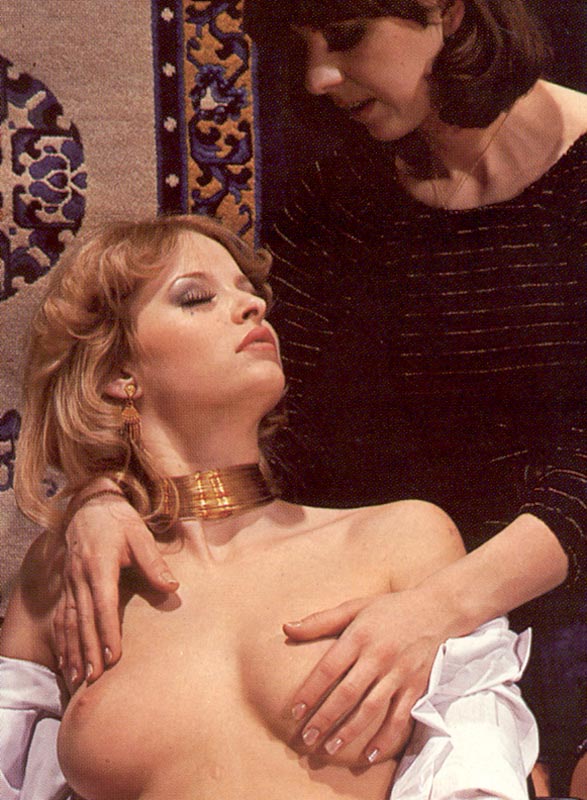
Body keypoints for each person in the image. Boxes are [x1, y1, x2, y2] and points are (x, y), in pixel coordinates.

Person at [50, 0, 587, 796]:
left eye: (346, 38)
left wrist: (438, 607)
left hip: (526, 609)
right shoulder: (333, 201)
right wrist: (105, 492)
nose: (318, 78)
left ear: (445, 10)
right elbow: (248, 414)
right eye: (301, 48)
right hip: (374, 611)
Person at [0, 214, 538, 800]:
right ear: (117, 373)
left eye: (249, 291)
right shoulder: (69, 575)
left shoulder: (399, 538)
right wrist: (96, 494)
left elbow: (477, 768)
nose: (252, 306)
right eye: (196, 297)